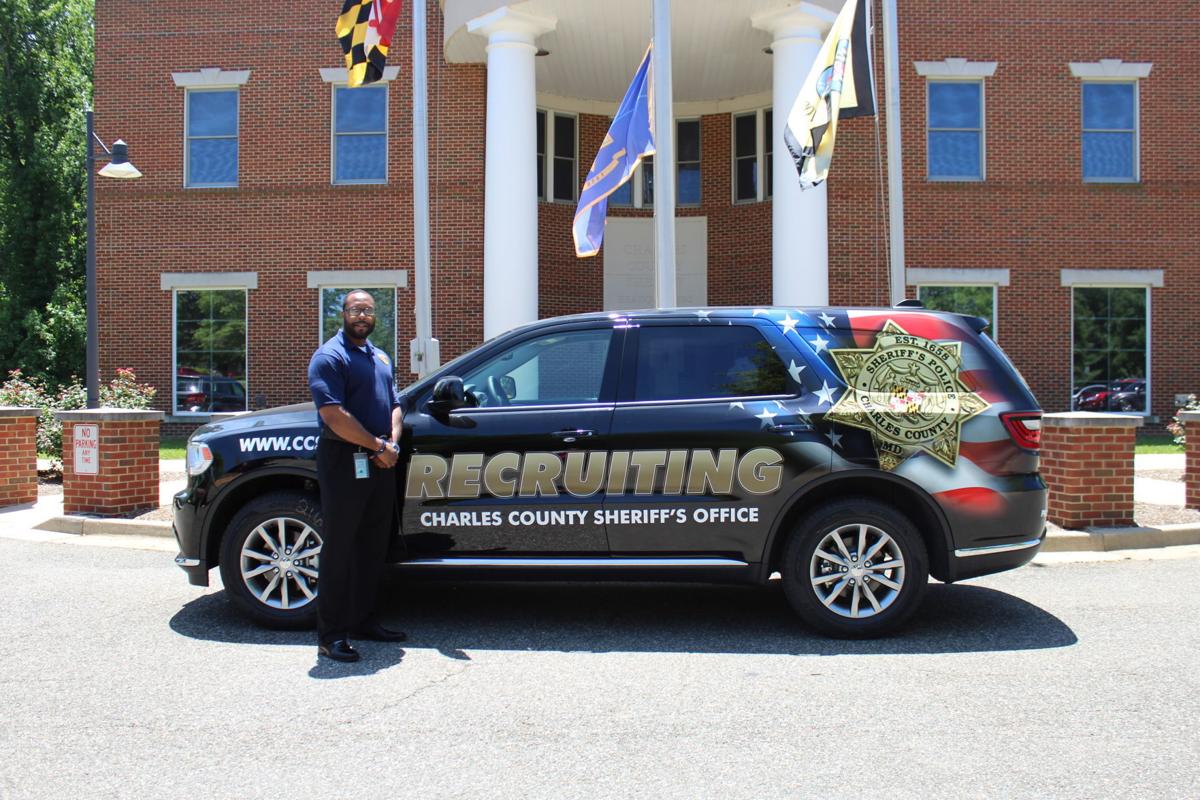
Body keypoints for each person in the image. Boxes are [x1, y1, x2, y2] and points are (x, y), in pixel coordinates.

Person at [307, 289, 408, 662]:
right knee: (340, 549)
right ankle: (331, 634)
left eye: (368, 310)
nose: (362, 315)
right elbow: (333, 415)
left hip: (380, 459)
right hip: (345, 460)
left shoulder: (379, 356)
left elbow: (395, 404)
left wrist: (390, 444)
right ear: (343, 313)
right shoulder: (329, 357)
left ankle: (363, 620)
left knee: (371, 546)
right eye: (355, 309)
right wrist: (378, 448)